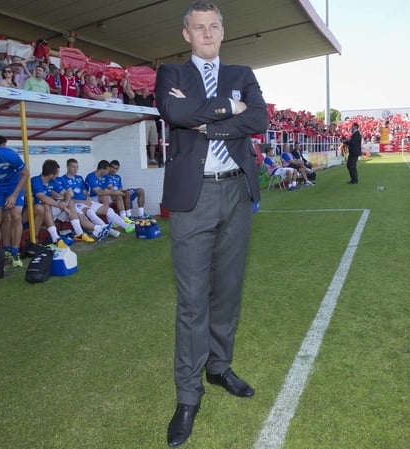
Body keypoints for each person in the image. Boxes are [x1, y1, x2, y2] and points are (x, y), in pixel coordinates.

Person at [154, 1, 269, 446]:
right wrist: (229, 109)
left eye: (213, 26)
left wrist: (208, 117)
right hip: (192, 198)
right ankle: (188, 394)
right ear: (186, 35)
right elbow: (176, 115)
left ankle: (219, 367)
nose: (206, 33)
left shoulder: (243, 72)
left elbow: (258, 120)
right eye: (198, 27)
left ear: (223, 30)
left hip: (236, 193)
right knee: (191, 299)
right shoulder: (171, 74)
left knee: (228, 291)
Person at [29, 159, 97, 246]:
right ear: (51, 174)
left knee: (70, 202)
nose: (58, 175)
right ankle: (56, 238)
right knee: (45, 205)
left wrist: (66, 202)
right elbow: (43, 198)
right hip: (38, 211)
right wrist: (61, 206)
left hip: (52, 211)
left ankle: (79, 234)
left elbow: (67, 193)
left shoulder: (52, 181)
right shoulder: (35, 180)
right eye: (57, 173)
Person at [84, 160, 136, 233]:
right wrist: (114, 192)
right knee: (106, 196)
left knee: (113, 200)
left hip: (99, 198)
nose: (108, 172)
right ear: (102, 169)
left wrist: (116, 192)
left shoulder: (103, 177)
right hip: (90, 199)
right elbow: (99, 192)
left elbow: (107, 189)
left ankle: (124, 220)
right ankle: (111, 221)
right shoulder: (91, 176)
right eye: (107, 170)